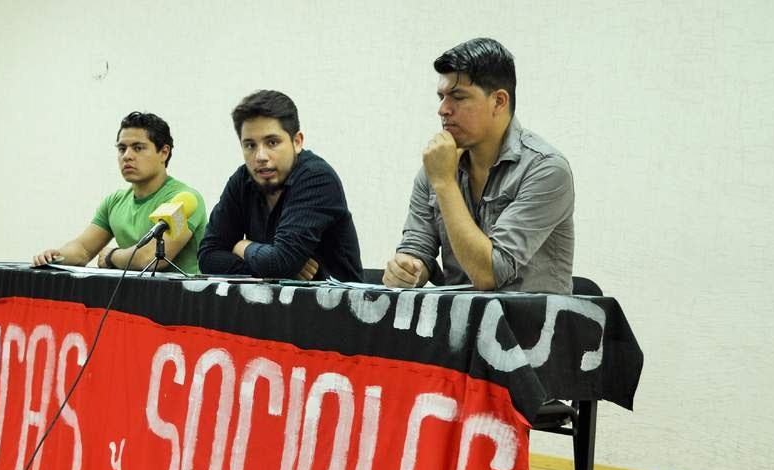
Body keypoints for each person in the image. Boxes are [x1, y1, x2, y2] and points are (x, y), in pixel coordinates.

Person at [383, 37, 574, 293]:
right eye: (441, 97)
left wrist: (445, 183)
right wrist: (406, 269)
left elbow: (490, 274)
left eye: (458, 97)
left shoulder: (546, 169)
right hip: (455, 316)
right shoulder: (437, 168)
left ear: (499, 101)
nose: (442, 109)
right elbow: (417, 248)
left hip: (527, 318)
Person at [197, 90, 363, 282]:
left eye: (272, 142)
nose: (260, 156)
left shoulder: (317, 177)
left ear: (297, 142)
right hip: (270, 300)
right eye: (250, 145)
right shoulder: (242, 180)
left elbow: (281, 262)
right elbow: (207, 257)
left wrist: (243, 246)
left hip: (335, 299)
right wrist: (270, 269)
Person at [32, 111, 207, 273]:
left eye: (138, 148)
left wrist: (111, 256)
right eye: (122, 149)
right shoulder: (114, 202)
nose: (127, 156)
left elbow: (151, 258)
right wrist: (55, 257)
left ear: (164, 153)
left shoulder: (184, 199)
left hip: (181, 295)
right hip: (132, 295)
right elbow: (83, 249)